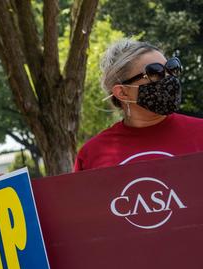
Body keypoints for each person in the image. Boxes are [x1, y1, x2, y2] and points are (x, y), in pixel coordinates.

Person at [75, 38, 203, 171]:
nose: (168, 78)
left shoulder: (200, 133)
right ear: (122, 92)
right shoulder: (92, 154)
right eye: (154, 73)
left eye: (171, 68)